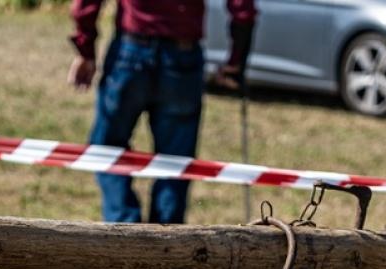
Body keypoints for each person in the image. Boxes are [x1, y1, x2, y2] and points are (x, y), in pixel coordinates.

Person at [68, 0, 255, 224]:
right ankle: (166, 243)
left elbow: (84, 5)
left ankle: (125, 230)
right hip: (182, 60)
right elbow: (243, 9)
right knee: (175, 163)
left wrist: (86, 48)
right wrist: (236, 61)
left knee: (106, 150)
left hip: (130, 54)